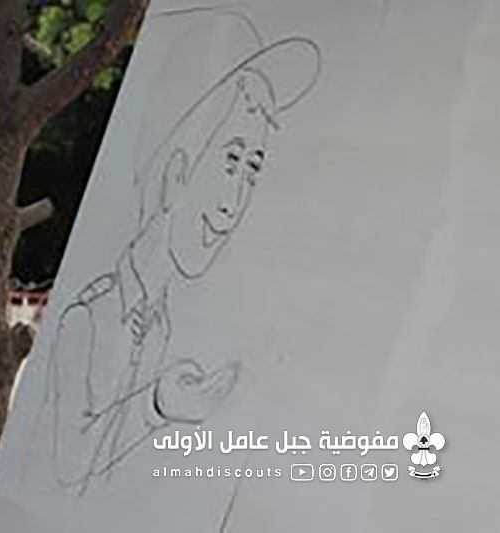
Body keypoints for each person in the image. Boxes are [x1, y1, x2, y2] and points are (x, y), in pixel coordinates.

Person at [43, 10, 321, 494]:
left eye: (252, 171)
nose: (234, 205)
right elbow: (66, 468)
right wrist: (155, 407)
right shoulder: (88, 319)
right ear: (175, 176)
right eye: (230, 162)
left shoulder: (172, 329)